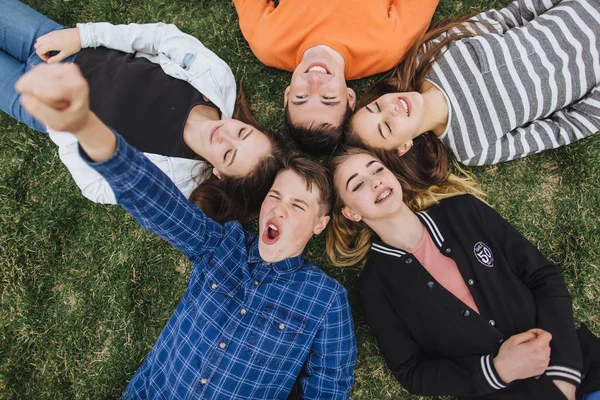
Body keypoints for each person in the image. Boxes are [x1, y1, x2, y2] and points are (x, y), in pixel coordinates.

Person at [15, 62, 357, 399]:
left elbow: (329, 389)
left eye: (298, 206)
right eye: (275, 196)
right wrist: (87, 127)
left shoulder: (326, 301)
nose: (280, 208)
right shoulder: (224, 245)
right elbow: (157, 203)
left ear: (319, 224)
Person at [326, 147, 600, 400]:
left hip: (580, 367)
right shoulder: (375, 285)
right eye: (358, 184)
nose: (375, 181)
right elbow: (411, 371)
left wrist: (564, 369)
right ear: (351, 213)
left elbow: (544, 276)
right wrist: (497, 370)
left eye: (377, 169)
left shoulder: (464, 211)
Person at [0, 0, 283, 223]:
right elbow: (161, 38)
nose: (225, 136)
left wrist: (62, 124)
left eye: (228, 154)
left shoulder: (172, 184)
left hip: (37, 100)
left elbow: (96, 187)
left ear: (220, 174)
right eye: (242, 132)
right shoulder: (217, 81)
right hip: (64, 47)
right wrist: (83, 35)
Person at [347, 0, 600, 166]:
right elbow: (557, 131)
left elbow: (507, 18)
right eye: (387, 127)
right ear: (403, 147)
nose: (389, 110)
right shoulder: (472, 149)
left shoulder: (430, 54)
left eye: (375, 108)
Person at [232, 0, 439, 155]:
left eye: (301, 97)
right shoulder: (387, 48)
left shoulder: (268, 43)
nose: (315, 82)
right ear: (350, 97)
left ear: (287, 94)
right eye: (328, 98)